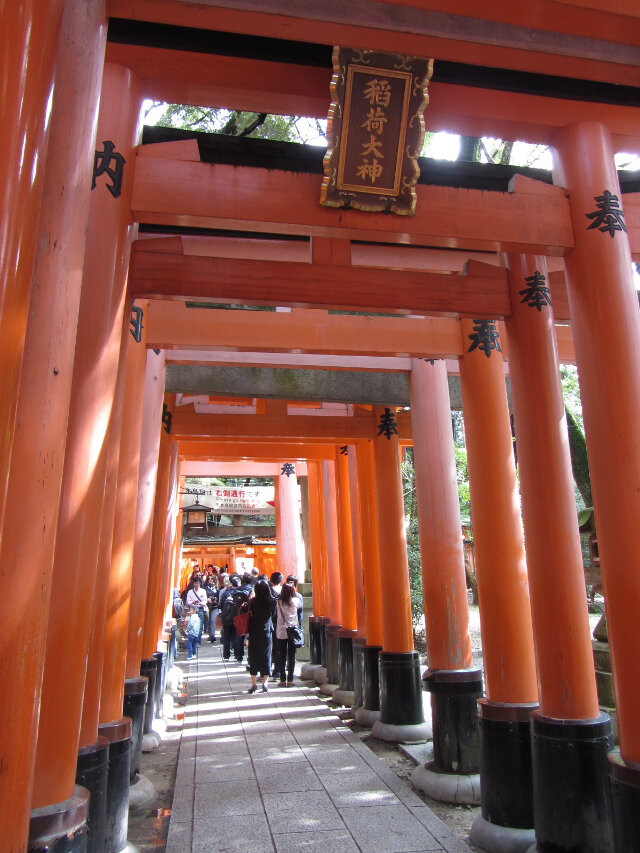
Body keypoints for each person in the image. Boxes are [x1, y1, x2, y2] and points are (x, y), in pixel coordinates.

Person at [246, 579, 276, 693]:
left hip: (254, 632)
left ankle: (253, 684)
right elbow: (273, 615)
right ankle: (265, 683)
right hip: (266, 632)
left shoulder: (252, 602)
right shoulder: (272, 602)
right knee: (266, 656)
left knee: (253, 656)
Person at [275, 582, 302, 686]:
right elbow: (300, 608)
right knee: (291, 656)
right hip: (293, 631)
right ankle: (290, 679)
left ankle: (282, 679)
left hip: (281, 631)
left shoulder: (279, 602)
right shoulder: (295, 601)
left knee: (282, 655)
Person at [219, 575, 248, 662]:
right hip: (237, 617)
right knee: (237, 636)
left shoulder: (225, 593)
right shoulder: (242, 593)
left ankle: (226, 655)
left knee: (226, 636)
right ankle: (237, 655)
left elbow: (221, 605)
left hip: (227, 617)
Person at [269, 572, 284, 680]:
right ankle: (277, 671)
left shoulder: (268, 592)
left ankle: (267, 669)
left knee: (271, 647)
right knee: (280, 648)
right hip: (282, 624)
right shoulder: (285, 592)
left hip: (271, 623)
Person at [186, 577, 207, 643]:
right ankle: (193, 640)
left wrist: (199, 603)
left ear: (200, 583)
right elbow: (187, 601)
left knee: (200, 626)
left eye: (198, 583)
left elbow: (205, 601)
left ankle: (198, 641)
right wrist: (192, 602)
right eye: (195, 583)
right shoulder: (190, 592)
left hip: (200, 609)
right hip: (193, 610)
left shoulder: (203, 591)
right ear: (193, 584)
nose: (196, 585)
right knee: (192, 625)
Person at [203, 572, 219, 642]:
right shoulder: (204, 588)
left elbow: (218, 597)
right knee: (208, 620)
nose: (210, 579)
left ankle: (212, 635)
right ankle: (210, 634)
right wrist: (206, 599)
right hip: (207, 605)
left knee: (212, 620)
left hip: (214, 605)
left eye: (211, 578)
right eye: (209, 578)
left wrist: (213, 599)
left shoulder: (216, 588)